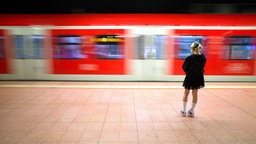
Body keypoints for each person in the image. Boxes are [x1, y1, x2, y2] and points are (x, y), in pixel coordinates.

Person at [180, 41, 206, 117]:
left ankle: (183, 111)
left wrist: (188, 72)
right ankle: (191, 111)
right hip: (198, 77)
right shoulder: (203, 57)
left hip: (190, 77)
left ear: (192, 49)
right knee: (195, 94)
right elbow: (202, 66)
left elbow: (184, 67)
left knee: (186, 93)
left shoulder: (189, 58)